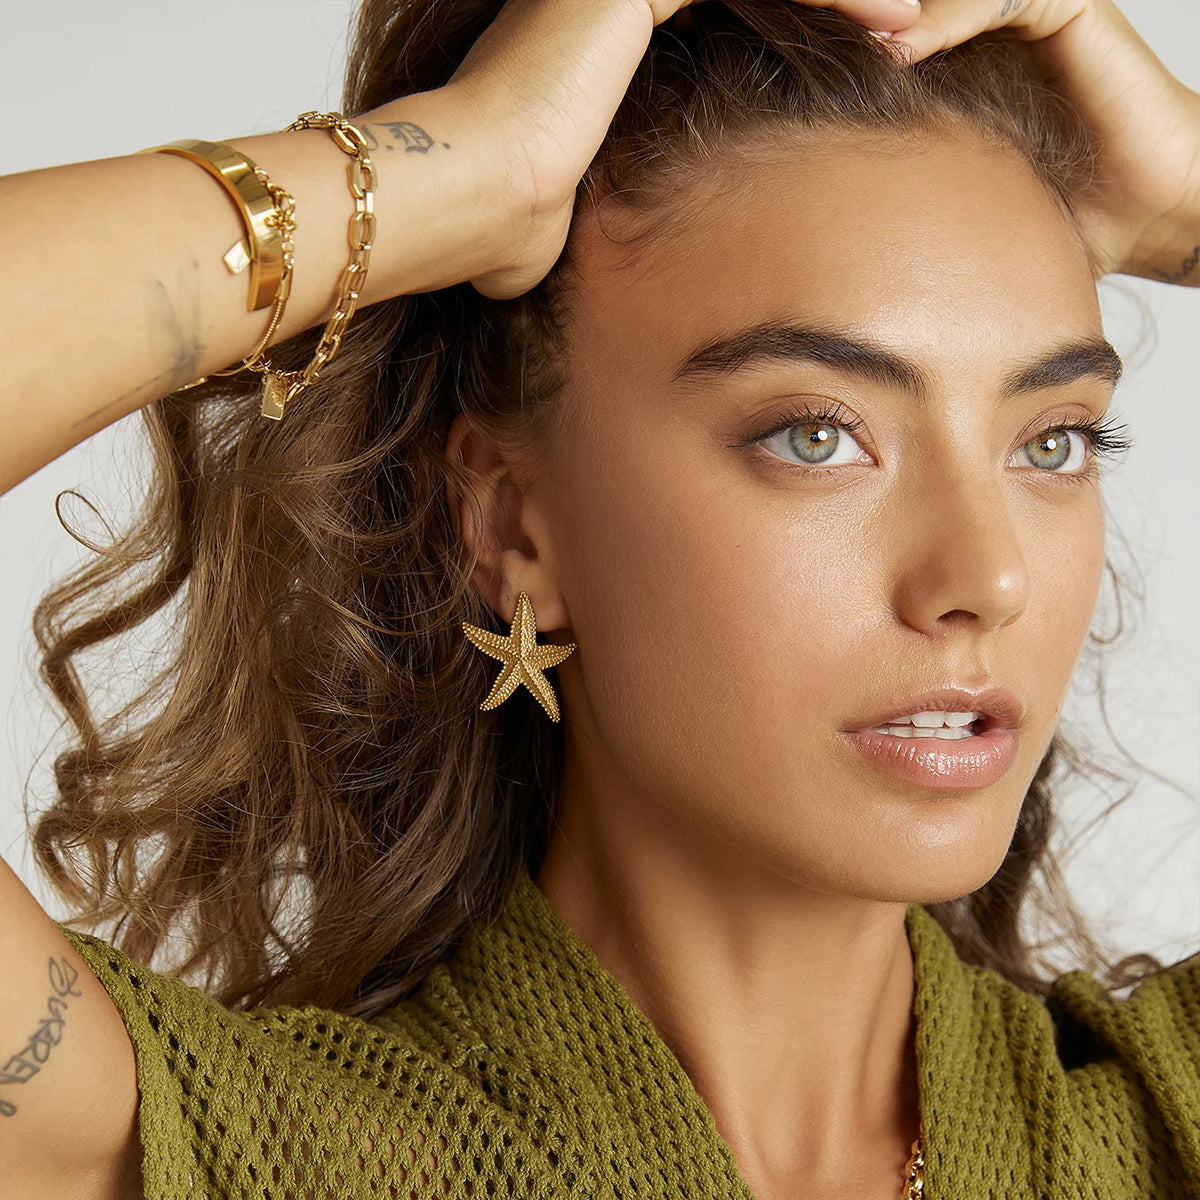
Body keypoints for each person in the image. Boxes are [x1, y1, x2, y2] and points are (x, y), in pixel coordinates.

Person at [1, 0, 1197, 1197]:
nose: (983, 578)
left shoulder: (1161, 1127)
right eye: (817, 434)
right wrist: (468, 170)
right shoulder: (261, 1153)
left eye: (1052, 444)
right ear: (512, 525)